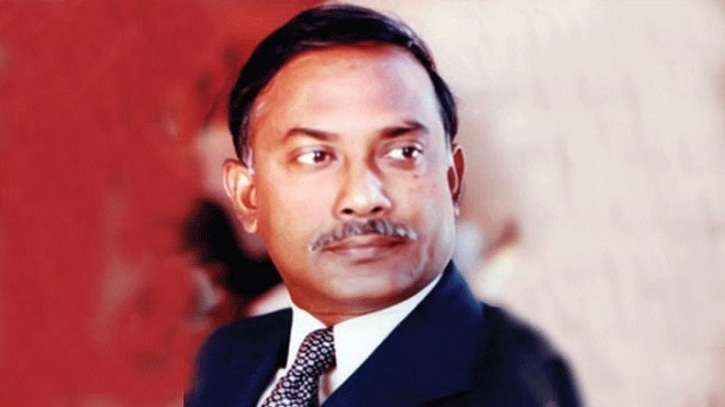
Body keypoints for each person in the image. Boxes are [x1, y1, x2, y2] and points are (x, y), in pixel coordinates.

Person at [186, 4, 581, 406]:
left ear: (452, 180)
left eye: (403, 153)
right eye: (315, 156)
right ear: (247, 196)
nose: (363, 198)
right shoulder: (227, 359)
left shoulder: (515, 382)